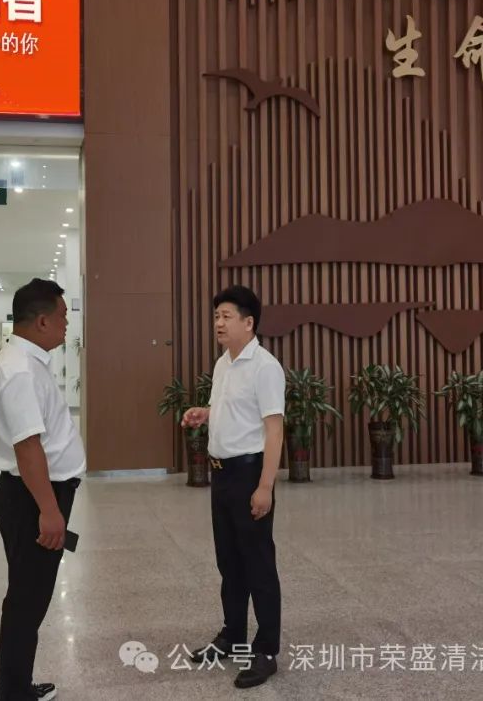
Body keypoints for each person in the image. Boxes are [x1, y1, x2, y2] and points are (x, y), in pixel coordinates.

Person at [182, 285, 285, 690]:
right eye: (216, 317)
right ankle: (233, 636)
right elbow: (234, 410)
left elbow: (273, 430)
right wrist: (205, 414)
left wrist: (265, 487)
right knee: (229, 562)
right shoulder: (224, 363)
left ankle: (267, 650)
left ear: (249, 322)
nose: (218, 324)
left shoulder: (265, 367)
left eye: (226, 316)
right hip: (221, 475)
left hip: (248, 474)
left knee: (258, 564)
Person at [0, 278, 85, 701]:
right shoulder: (20, 371)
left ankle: (16, 685)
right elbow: (27, 447)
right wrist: (49, 510)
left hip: (34, 493)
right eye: (63, 316)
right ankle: (11, 692)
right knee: (27, 602)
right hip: (32, 497)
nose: (67, 324)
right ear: (42, 321)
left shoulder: (27, 361)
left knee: (29, 598)